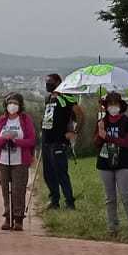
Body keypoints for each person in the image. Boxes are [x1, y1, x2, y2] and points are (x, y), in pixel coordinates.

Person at [93, 91, 128, 239]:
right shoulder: (102, 122)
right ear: (106, 106)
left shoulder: (127, 122)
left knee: (127, 196)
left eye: (115, 104)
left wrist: (107, 136)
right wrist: (100, 133)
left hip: (123, 163)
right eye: (110, 105)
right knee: (110, 198)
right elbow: (96, 143)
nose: (112, 107)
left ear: (120, 106)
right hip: (105, 163)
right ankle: (112, 227)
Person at [0, 92, 36, 231]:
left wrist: (17, 141)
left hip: (20, 161)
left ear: (20, 105)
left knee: (18, 190)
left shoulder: (25, 120)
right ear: (6, 105)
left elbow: (32, 140)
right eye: (10, 103)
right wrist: (5, 139)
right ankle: (7, 216)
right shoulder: (1, 120)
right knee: (6, 189)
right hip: (4, 161)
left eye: (15, 103)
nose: (12, 106)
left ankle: (18, 218)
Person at [39, 73, 82, 211]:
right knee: (48, 173)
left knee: (61, 173)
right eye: (46, 81)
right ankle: (54, 200)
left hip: (59, 141)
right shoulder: (48, 98)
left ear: (58, 82)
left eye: (50, 81)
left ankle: (70, 202)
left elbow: (80, 114)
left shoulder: (67, 98)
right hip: (46, 140)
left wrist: (75, 132)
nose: (48, 84)